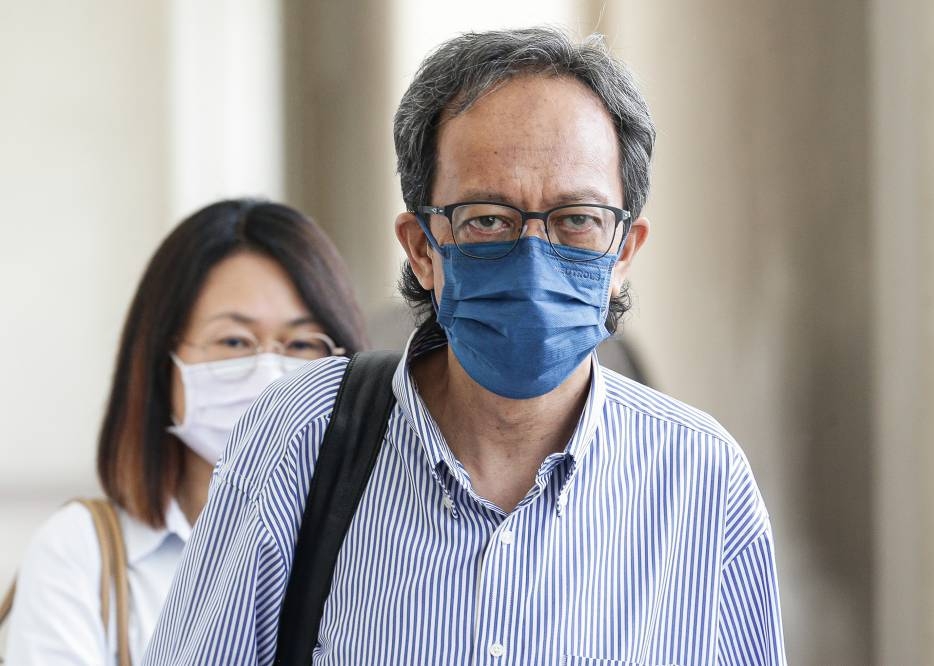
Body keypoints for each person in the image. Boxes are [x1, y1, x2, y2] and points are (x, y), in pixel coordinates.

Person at [145, 28, 786, 665]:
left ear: (623, 252)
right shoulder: (301, 439)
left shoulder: (702, 481)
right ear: (423, 248)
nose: (535, 261)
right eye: (487, 218)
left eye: (578, 220)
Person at [4, 199, 368, 664]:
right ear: (161, 360)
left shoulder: (384, 544)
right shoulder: (79, 554)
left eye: (301, 344)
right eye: (233, 341)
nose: (270, 374)